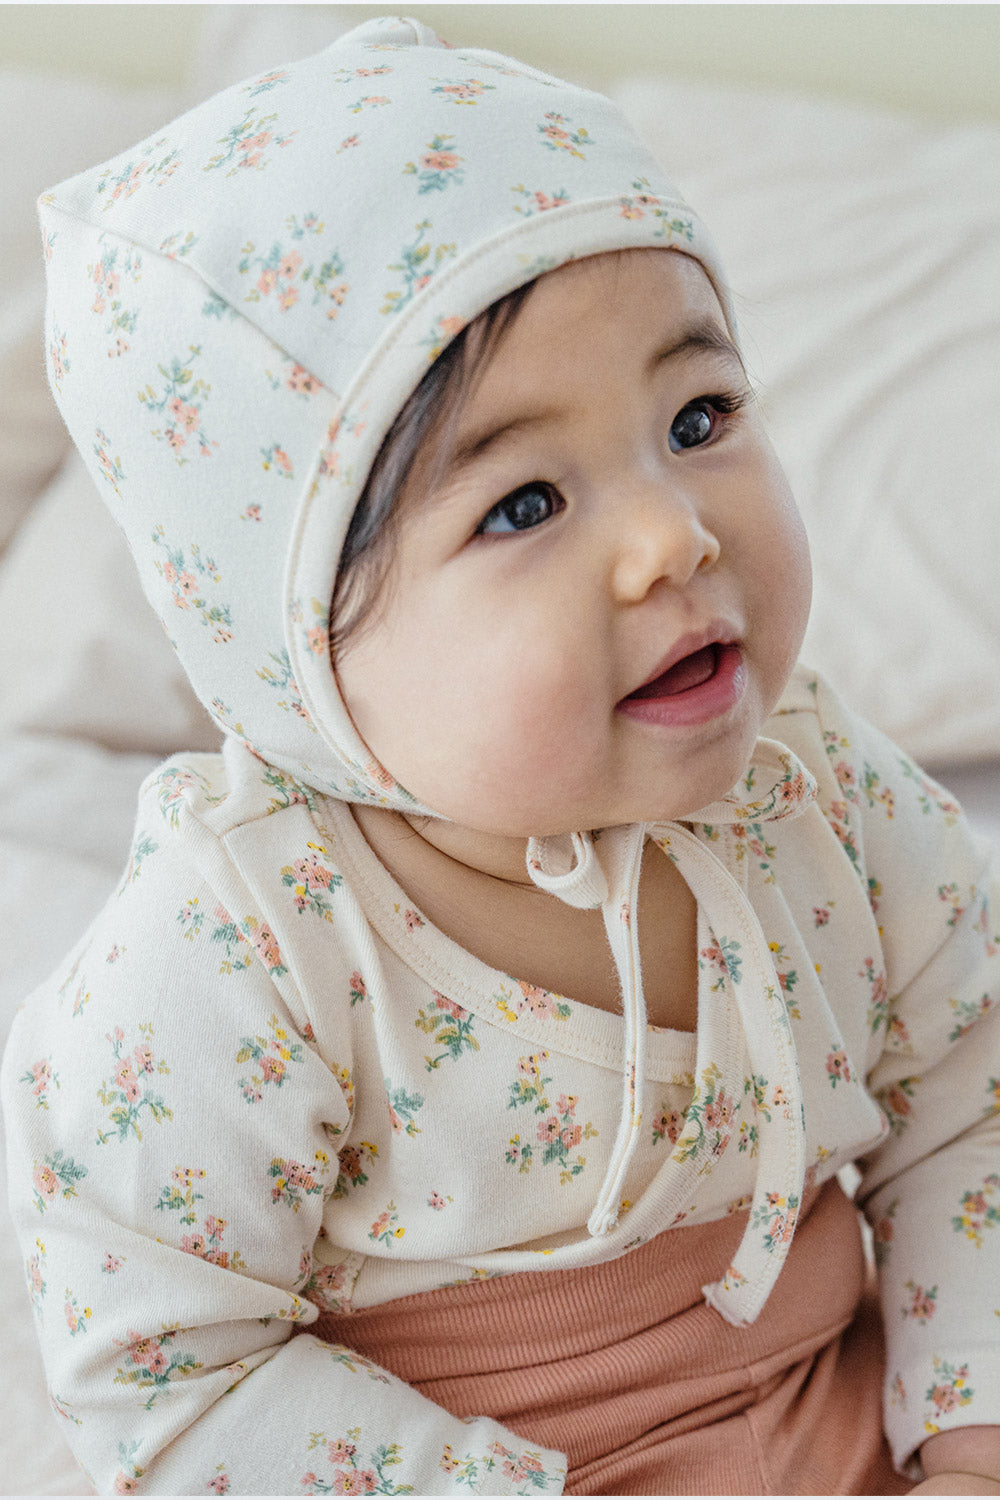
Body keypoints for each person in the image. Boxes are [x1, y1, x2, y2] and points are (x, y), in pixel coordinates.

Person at [2, 15, 998, 1496]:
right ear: (298, 660)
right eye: (525, 504)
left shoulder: (821, 794)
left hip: (852, 1417)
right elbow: (170, 1380)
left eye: (699, 415)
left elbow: (971, 1100)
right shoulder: (238, 954)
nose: (677, 533)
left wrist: (968, 1440)